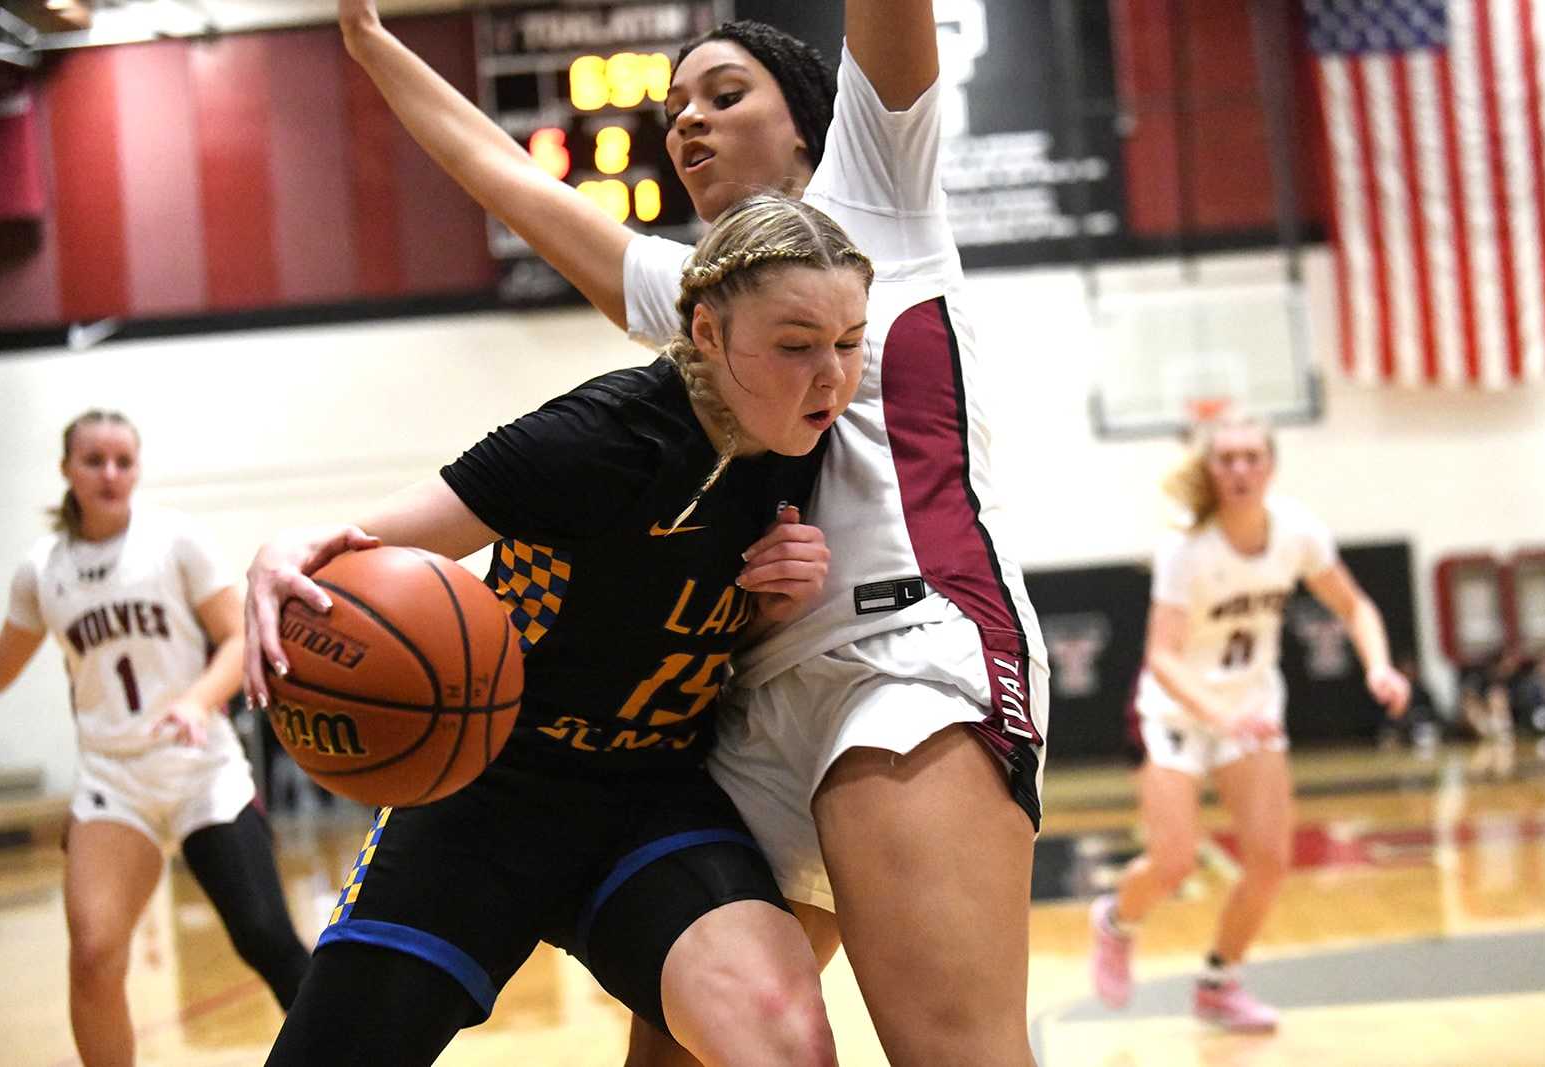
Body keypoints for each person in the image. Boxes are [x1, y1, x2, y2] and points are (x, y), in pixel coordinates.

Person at [335, 4, 1050, 1064]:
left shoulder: (881, 193)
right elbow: (508, 178)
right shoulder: (698, 299)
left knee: (951, 1048)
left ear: (813, 121)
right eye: (676, 111)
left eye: (724, 95)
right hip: (746, 701)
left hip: (904, 650)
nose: (689, 124)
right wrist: (367, 43)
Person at [240, 194, 870, 1066]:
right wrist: (279, 553)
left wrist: (770, 605)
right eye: (797, 346)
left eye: (849, 342)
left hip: (650, 797)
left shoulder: (818, 435)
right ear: (710, 333)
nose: (832, 376)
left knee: (787, 1036)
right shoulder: (598, 438)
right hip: (489, 790)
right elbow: (361, 544)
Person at [0, 410, 311, 1067]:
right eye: (94, 460)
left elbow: (234, 636)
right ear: (66, 469)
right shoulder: (42, 568)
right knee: (94, 953)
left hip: (201, 767)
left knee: (265, 936)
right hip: (114, 781)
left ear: (137, 467)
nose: (110, 473)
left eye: (122, 460)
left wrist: (195, 698)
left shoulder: (174, 539)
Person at [1089, 416, 1410, 1032]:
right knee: (1174, 861)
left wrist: (1378, 666)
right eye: (1227, 459)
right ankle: (1115, 922)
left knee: (1268, 862)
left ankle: (1218, 983)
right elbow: (1162, 655)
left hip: (1253, 707)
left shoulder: (1297, 532)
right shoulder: (1187, 546)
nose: (1239, 469)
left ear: (1270, 466)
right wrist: (1221, 713)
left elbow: (1354, 605)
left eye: (1250, 458)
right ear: (1210, 470)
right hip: (1174, 709)